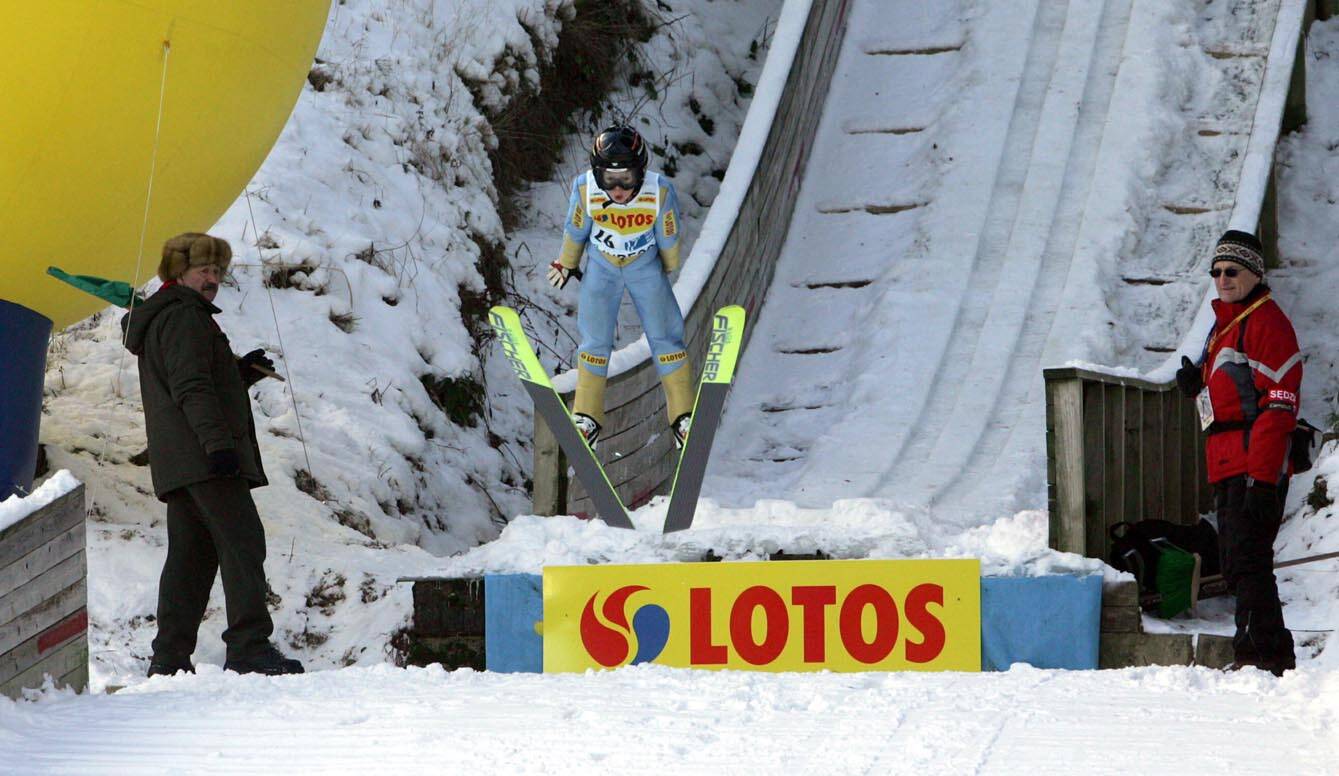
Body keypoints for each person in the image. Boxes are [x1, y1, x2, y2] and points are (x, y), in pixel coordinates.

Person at [122, 232, 304, 676]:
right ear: (179, 272)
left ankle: (169, 659)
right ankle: (249, 647)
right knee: (243, 543)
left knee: (191, 559)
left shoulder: (170, 316)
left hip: (182, 459)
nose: (213, 279)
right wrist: (219, 446)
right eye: (204, 270)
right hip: (205, 456)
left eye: (218, 271)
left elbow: (192, 381)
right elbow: (191, 387)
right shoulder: (185, 317)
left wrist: (238, 374)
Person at [1175, 230, 1300, 676]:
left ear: (1254, 274)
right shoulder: (1226, 323)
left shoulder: (1267, 324)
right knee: (1237, 562)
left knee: (1248, 560)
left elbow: (1278, 409)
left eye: (1232, 271)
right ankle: (1269, 653)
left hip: (1254, 466)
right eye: (1216, 272)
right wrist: (1198, 388)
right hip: (1228, 462)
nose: (1223, 279)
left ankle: (1258, 657)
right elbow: (1231, 395)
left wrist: (1263, 480)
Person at [547, 125, 694, 450]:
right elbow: (576, 228)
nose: (617, 189)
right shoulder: (586, 188)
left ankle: (683, 415)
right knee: (594, 340)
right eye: (609, 179)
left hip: (644, 267)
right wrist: (566, 262)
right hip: (603, 268)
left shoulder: (658, 190)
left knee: (665, 336)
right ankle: (587, 416)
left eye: (626, 179)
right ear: (596, 173)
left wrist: (668, 265)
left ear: (640, 172)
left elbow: (669, 234)